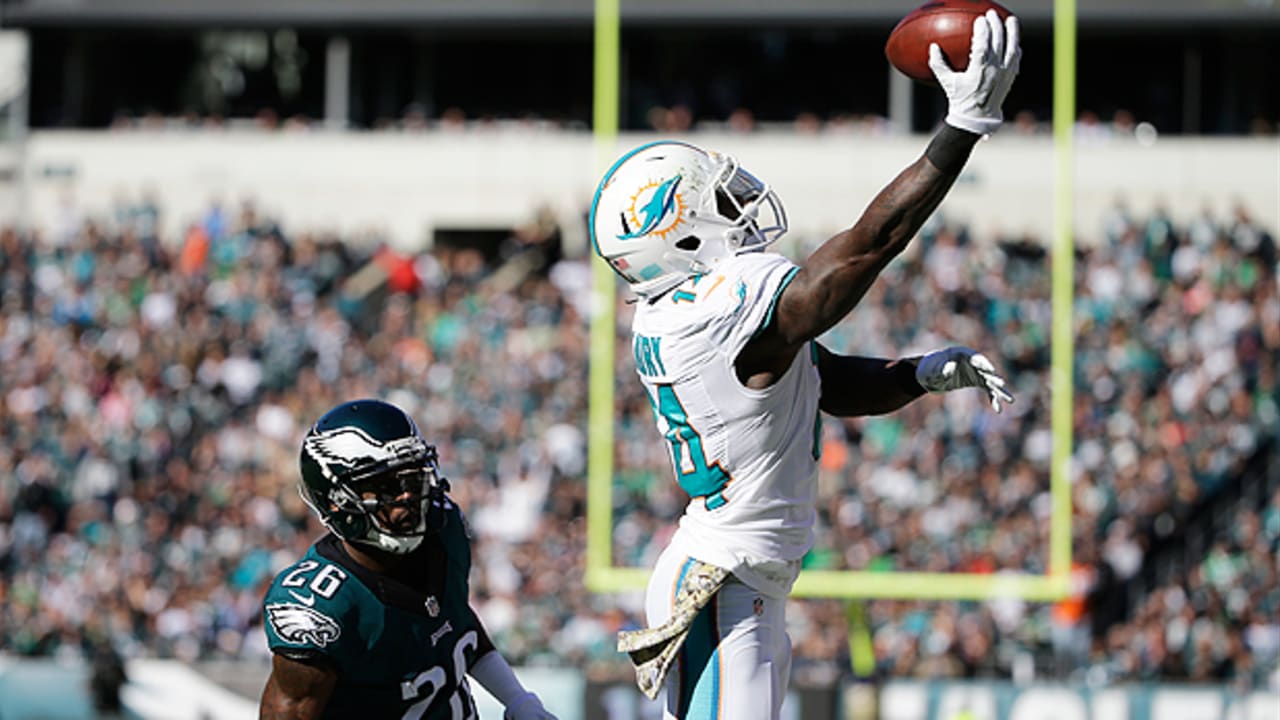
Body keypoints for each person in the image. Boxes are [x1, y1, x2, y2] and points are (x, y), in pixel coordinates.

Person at [591, 10, 1021, 720]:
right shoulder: (714, 309)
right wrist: (961, 129)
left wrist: (917, 374)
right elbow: (863, 250)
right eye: (713, 203)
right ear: (682, 239)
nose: (737, 206)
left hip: (741, 578)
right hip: (723, 584)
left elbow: (825, 382)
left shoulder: (687, 315)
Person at [259, 399, 557, 719]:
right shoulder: (322, 606)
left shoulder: (443, 532)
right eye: (388, 485)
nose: (409, 496)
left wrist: (516, 699)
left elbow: (455, 624)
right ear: (338, 502)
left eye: (411, 478)